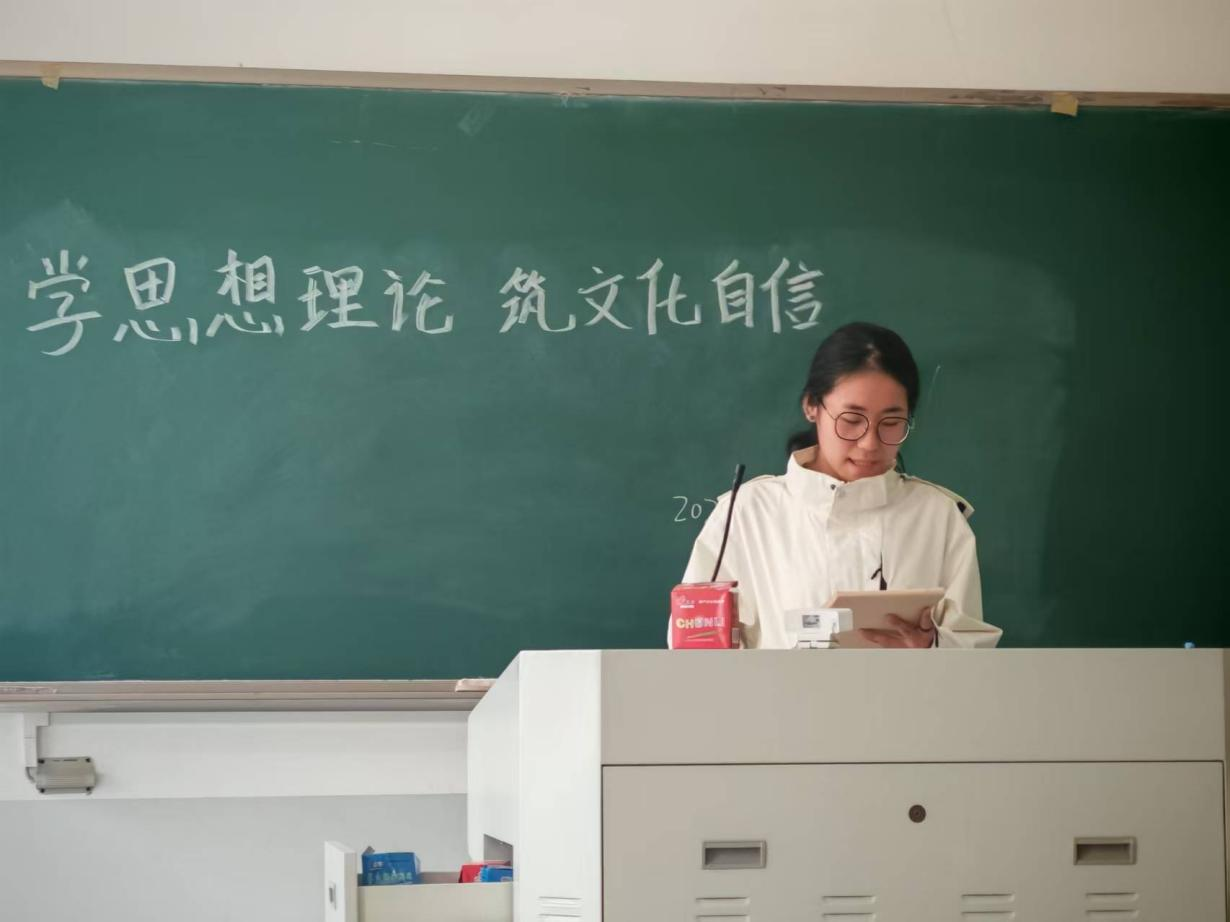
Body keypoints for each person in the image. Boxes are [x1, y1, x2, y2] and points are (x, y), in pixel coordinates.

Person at [681, 321, 1002, 649]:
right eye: (851, 420)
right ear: (812, 406)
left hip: (907, 687)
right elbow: (695, 643)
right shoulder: (747, 513)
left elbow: (973, 654)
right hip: (781, 686)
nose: (869, 443)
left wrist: (931, 647)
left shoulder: (937, 516)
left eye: (892, 422)